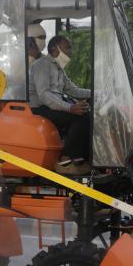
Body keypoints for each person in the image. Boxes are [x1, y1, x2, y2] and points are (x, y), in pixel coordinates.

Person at [29, 36, 91, 175]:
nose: (71, 51)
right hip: (39, 109)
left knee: (88, 115)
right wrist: (69, 108)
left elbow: (73, 90)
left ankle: (81, 160)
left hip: (51, 106)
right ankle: (65, 160)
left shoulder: (58, 68)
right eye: (68, 47)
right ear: (54, 49)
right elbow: (44, 94)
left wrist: (97, 93)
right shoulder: (42, 65)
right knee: (80, 118)